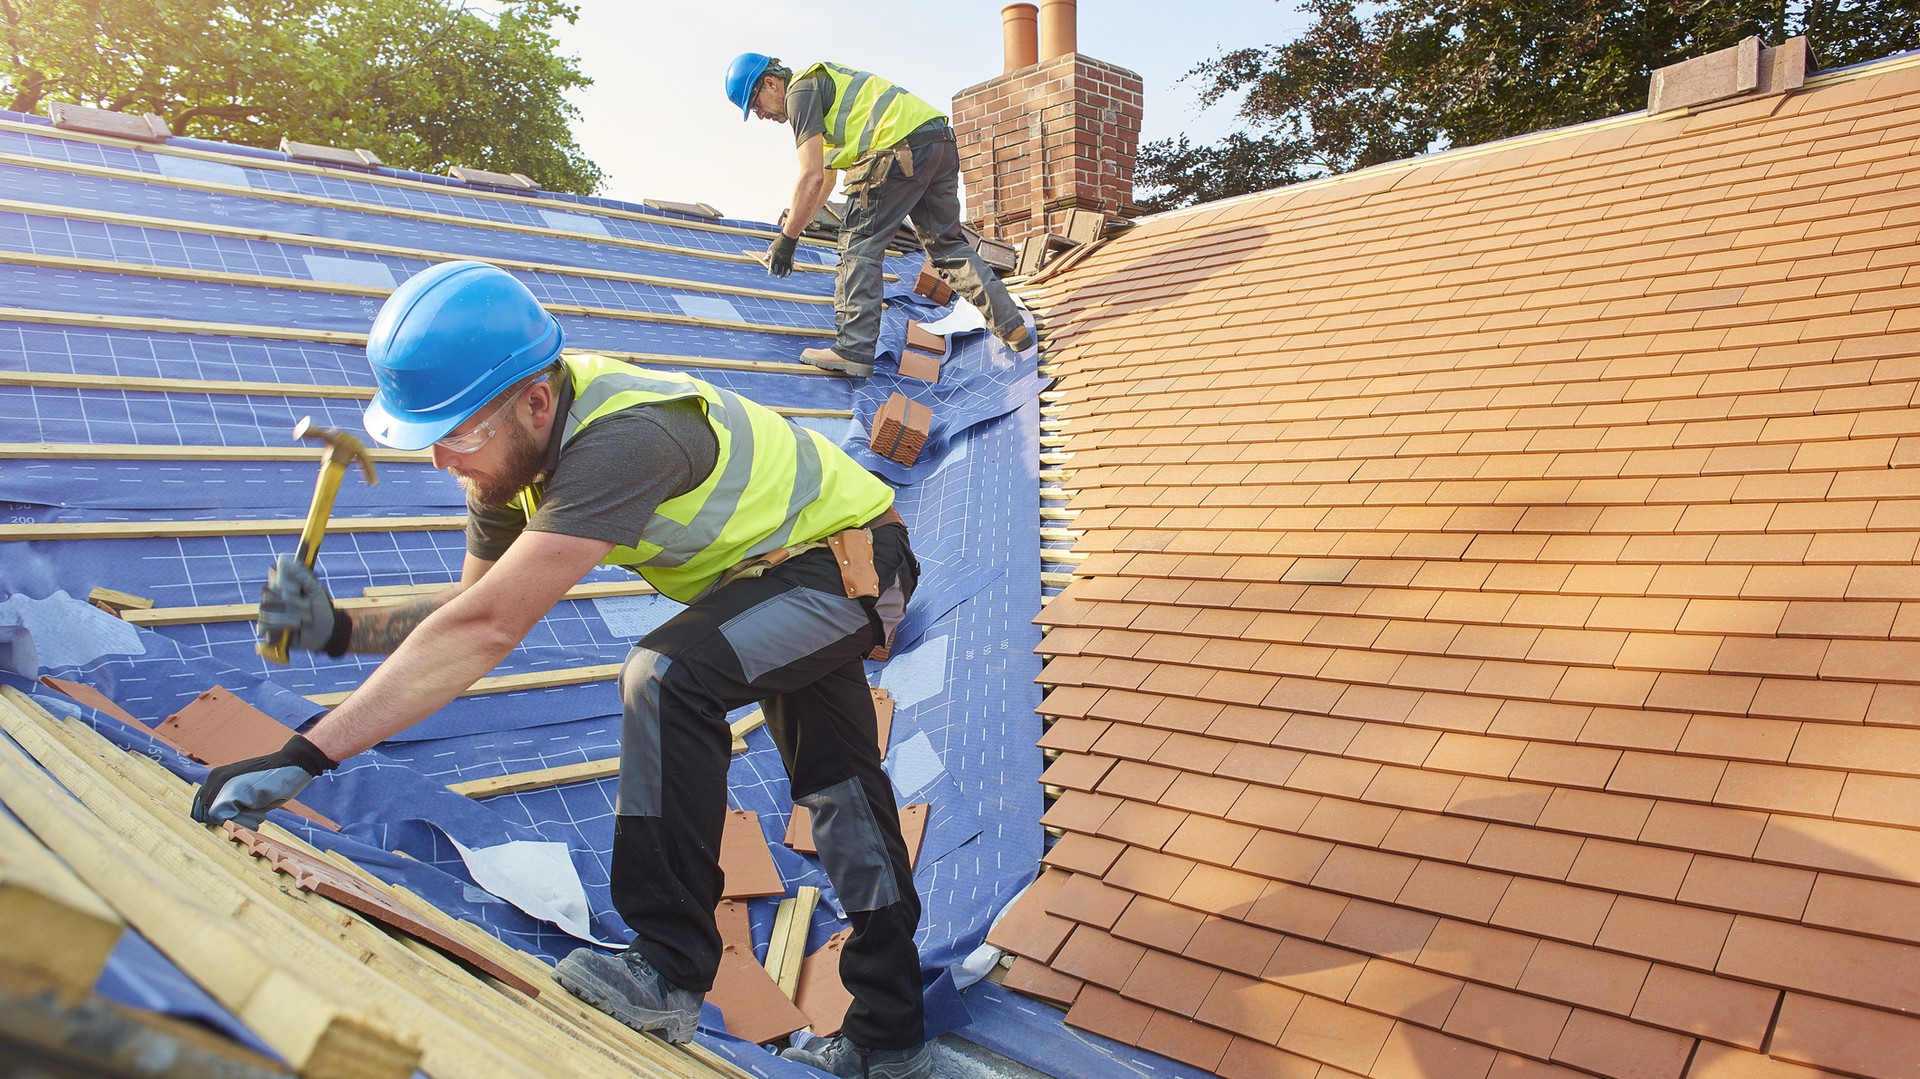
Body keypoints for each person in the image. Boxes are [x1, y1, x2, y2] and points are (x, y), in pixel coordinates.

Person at [190, 260, 932, 1079]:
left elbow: (485, 630)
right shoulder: (506, 461)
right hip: (775, 578)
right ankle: (890, 1036)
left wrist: (305, 755)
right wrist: (341, 628)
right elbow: (472, 611)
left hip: (852, 562)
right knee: (842, 793)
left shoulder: (625, 440)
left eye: (458, 434)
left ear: (536, 402)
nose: (443, 460)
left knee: (665, 676)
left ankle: (667, 967)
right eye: (429, 436)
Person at [725, 51, 1032, 378]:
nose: (760, 115)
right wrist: (794, 233)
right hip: (938, 142)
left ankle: (853, 349)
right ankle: (1012, 326)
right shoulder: (824, 95)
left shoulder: (800, 93)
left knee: (858, 244)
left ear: (771, 83)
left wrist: (786, 240)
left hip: (896, 149)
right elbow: (824, 180)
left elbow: (810, 174)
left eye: (756, 103)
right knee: (947, 247)